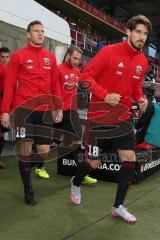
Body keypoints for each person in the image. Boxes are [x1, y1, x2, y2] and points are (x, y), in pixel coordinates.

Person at [70, 15, 152, 223]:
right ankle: (76, 181)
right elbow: (85, 77)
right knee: (93, 164)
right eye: (138, 32)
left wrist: (140, 98)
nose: (142, 37)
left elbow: (134, 87)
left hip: (123, 119)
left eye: (145, 34)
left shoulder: (143, 60)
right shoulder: (108, 52)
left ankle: (118, 206)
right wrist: (104, 94)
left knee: (130, 161)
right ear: (128, 32)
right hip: (99, 120)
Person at [1, 20, 63, 205]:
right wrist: (5, 111)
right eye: (36, 31)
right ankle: (28, 190)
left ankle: (25, 168)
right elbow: (10, 85)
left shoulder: (50, 58)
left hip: (44, 111)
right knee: (25, 149)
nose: (40, 34)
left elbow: (55, 85)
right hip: (23, 110)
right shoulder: (19, 56)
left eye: (42, 31)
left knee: (43, 152)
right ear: (28, 34)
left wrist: (58, 107)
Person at [55, 45, 97, 184]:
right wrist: (57, 108)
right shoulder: (58, 70)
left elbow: (86, 82)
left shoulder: (77, 71)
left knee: (77, 143)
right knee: (45, 143)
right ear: (67, 55)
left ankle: (81, 174)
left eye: (79, 59)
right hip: (57, 111)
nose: (77, 61)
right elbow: (53, 91)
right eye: (74, 58)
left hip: (71, 112)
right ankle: (38, 166)